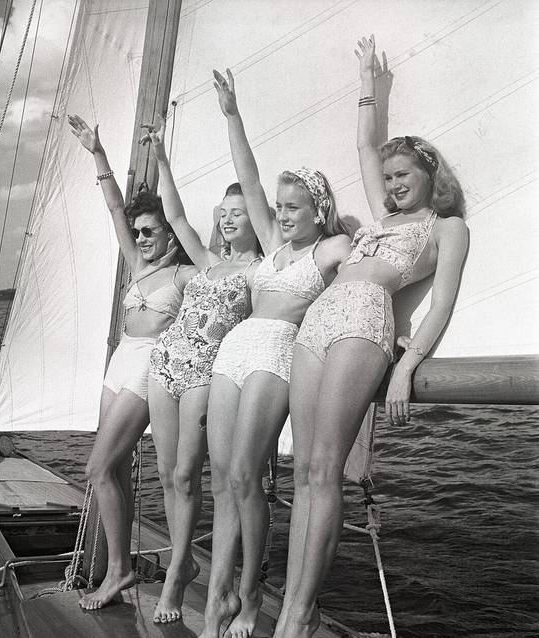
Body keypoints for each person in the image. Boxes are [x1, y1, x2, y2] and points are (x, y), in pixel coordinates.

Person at [273, 36, 468, 638]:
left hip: (364, 319)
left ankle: (300, 615)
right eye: (386, 176)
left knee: (326, 467)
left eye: (402, 173)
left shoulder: (448, 227)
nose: (391, 183)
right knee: (304, 468)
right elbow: (364, 142)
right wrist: (365, 84)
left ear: (428, 173)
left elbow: (440, 304)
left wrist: (408, 365)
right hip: (320, 320)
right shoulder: (381, 219)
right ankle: (288, 611)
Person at [198, 70, 351, 638]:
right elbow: (249, 180)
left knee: (245, 475)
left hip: (275, 353)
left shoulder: (333, 247)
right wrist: (231, 112)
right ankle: (217, 596)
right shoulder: (273, 243)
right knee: (223, 479)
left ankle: (250, 596)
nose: (282, 215)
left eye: (294, 207)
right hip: (234, 351)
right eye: (280, 208)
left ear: (317, 208)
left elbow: (373, 270)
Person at [67, 114, 196, 610]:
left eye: (151, 230)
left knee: (96, 467)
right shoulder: (137, 265)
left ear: (170, 233)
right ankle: (117, 569)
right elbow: (114, 208)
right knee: (113, 469)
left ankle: (119, 570)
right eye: (138, 231)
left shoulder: (184, 277)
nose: (140, 237)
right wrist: (97, 153)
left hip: (149, 366)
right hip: (118, 360)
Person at [142, 116, 263, 623]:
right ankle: (183, 560)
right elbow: (175, 214)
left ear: (257, 219)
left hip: (204, 374)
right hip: (166, 361)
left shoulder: (262, 270)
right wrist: (163, 161)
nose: (230, 219)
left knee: (190, 474)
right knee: (168, 475)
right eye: (226, 212)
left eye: (241, 212)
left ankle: (174, 577)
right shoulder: (208, 260)